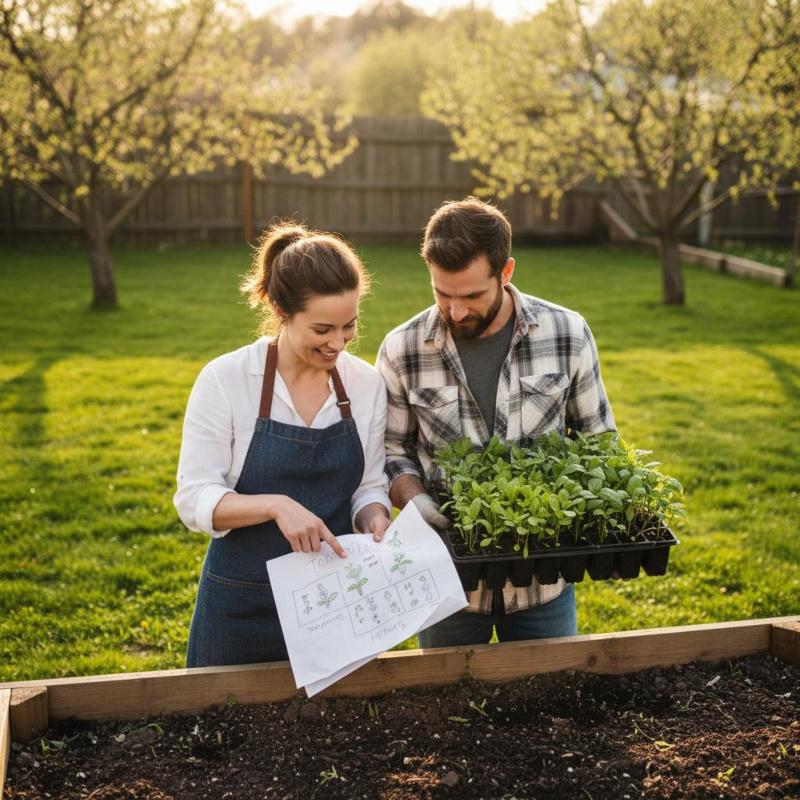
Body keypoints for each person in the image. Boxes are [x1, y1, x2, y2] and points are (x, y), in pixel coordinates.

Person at [376, 197, 616, 647]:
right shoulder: (402, 348)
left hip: (543, 582)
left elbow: (598, 440)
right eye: (442, 294)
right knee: (448, 690)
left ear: (506, 272)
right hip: (446, 582)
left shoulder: (567, 333)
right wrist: (416, 500)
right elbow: (392, 450)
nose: (456, 311)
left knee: (548, 688)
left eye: (471, 296)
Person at [175, 222, 392, 667]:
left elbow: (369, 485)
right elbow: (194, 498)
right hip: (240, 602)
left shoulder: (365, 384)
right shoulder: (227, 380)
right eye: (322, 329)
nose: (338, 343)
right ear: (280, 310)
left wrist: (375, 517)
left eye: (349, 327)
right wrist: (275, 506)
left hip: (333, 601)